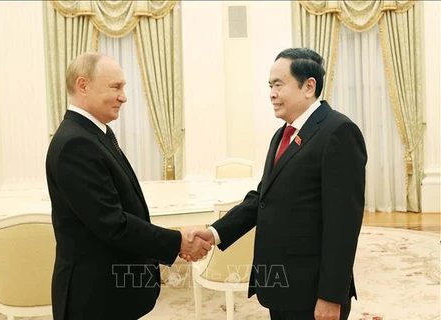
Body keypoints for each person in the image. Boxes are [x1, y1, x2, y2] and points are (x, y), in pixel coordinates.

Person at [186, 48, 367, 320]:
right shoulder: (283, 133)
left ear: (309, 86)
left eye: (279, 85)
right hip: (280, 286)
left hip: (312, 292)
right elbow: (263, 197)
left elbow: (343, 226)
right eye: (270, 85)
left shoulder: (338, 132)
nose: (271, 93)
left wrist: (331, 296)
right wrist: (214, 233)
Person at [45, 52, 211, 320]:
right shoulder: (75, 144)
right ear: (83, 85)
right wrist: (177, 241)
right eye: (115, 87)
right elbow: (112, 223)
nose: (124, 96)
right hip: (94, 297)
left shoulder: (93, 134)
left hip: (109, 293)